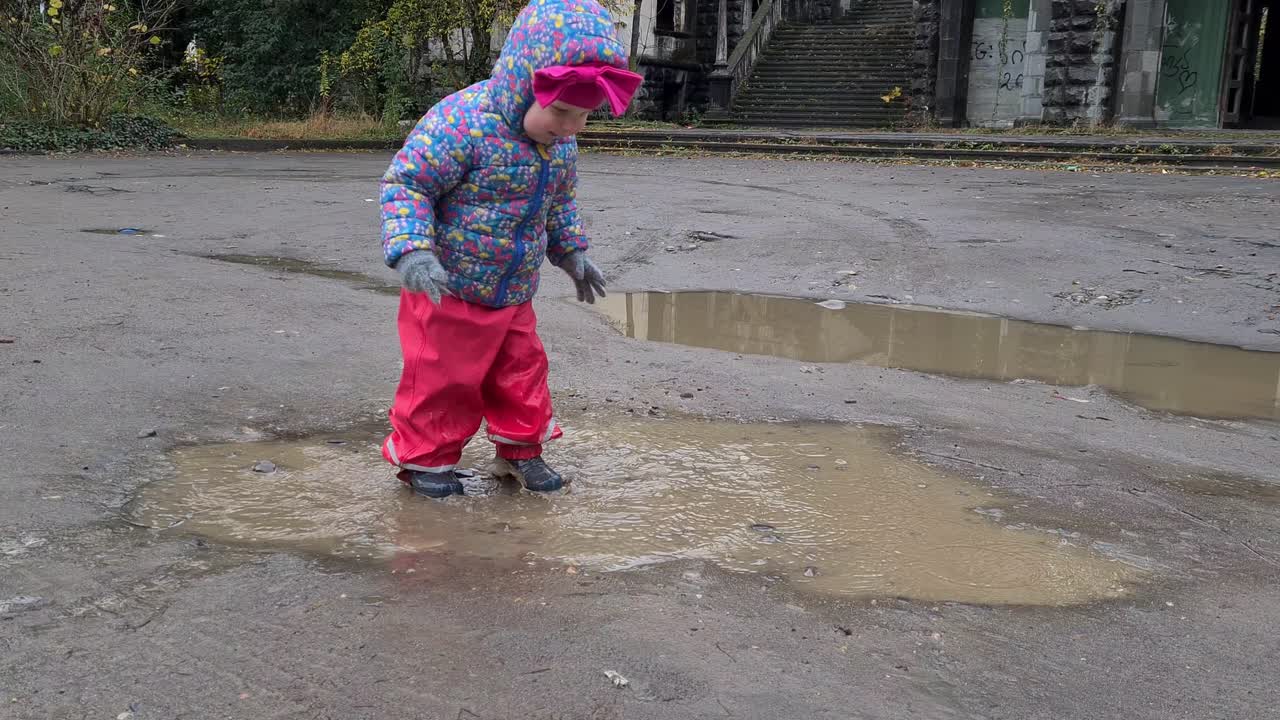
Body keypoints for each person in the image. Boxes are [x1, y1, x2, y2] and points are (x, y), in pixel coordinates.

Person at [378, 0, 643, 498]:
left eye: (584, 116)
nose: (571, 127)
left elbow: (559, 202)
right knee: (441, 378)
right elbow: (408, 184)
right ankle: (426, 460)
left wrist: (572, 253)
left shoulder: (559, 144)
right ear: (524, 85)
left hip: (513, 290)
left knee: (522, 372)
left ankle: (520, 452)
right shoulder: (462, 123)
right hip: (448, 287)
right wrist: (412, 250)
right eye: (561, 112)